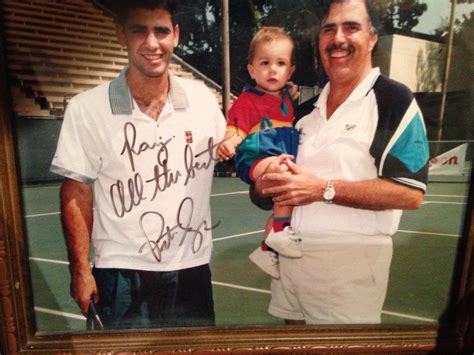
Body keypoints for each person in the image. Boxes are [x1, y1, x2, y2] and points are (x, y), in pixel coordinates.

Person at [252, 0, 429, 324]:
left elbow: (410, 193)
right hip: (289, 267)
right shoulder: (303, 112)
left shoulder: (394, 100)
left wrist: (323, 189)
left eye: (351, 27)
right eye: (329, 29)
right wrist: (264, 183)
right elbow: (270, 191)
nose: (338, 38)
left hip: (348, 273)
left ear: (372, 37)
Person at [51, 0, 225, 329]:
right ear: (121, 35)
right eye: (139, 30)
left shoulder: (202, 100)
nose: (151, 43)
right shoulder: (86, 108)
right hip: (119, 273)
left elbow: (237, 152)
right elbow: (76, 193)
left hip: (190, 269)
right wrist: (80, 270)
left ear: (175, 35)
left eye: (161, 31)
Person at [216, 27, 302, 279]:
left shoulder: (286, 98)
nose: (273, 70)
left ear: (290, 71)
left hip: (276, 157)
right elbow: (236, 128)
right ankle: (281, 232)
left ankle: (267, 248)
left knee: (285, 200)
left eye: (281, 63)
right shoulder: (248, 100)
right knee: (286, 177)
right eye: (265, 63)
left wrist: (291, 93)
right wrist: (228, 143)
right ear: (252, 69)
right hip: (256, 158)